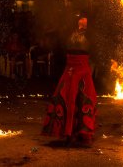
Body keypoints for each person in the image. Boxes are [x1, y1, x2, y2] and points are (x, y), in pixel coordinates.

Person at [41, 17, 97, 147]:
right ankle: (66, 132)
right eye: (81, 19)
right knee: (66, 98)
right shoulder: (70, 32)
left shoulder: (91, 34)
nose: (83, 20)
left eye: (85, 19)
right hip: (70, 67)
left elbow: (92, 50)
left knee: (84, 99)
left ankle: (83, 133)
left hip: (82, 68)